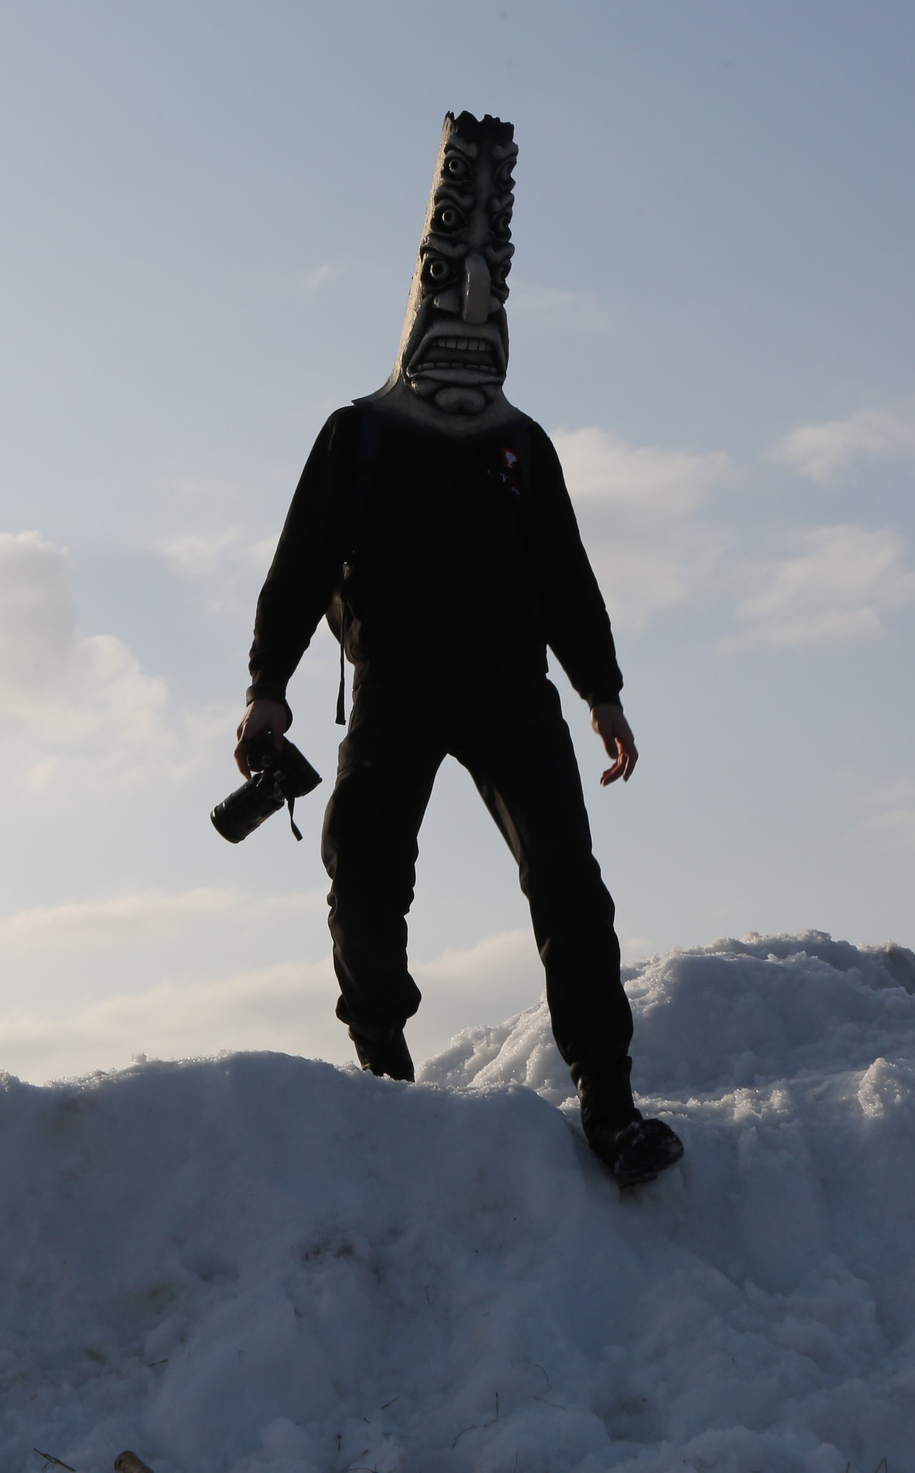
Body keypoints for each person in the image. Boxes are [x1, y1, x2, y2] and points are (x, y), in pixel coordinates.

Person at [237, 112, 682, 1187]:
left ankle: (608, 1098)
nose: (471, 327)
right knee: (368, 871)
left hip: (508, 687)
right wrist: (267, 689)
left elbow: (566, 572)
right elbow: (300, 564)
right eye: (447, 313)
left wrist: (602, 692)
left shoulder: (523, 448)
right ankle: (384, 1068)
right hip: (395, 678)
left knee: (568, 882)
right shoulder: (360, 434)